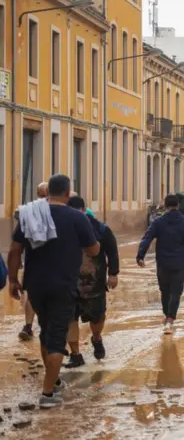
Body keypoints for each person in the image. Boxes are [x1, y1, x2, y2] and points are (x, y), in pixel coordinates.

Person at [6, 175, 100, 408]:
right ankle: (47, 395)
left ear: (48, 193)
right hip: (63, 286)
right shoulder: (77, 218)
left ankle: (54, 380)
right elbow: (94, 249)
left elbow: (14, 250)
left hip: (35, 286)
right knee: (57, 338)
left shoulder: (30, 214)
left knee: (45, 331)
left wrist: (13, 280)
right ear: (69, 194)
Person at [64, 196, 119, 368]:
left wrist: (113, 273)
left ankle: (96, 337)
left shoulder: (100, 229)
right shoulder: (62, 228)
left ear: (82, 211)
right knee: (70, 318)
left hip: (94, 284)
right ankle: (76, 354)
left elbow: (112, 251)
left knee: (98, 317)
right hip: (69, 284)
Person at [136, 194, 184, 335]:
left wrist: (140, 256)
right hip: (179, 263)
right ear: (178, 206)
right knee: (176, 292)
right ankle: (170, 318)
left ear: (165, 206)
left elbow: (146, 238)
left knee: (165, 290)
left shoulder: (158, 222)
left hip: (163, 263)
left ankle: (167, 315)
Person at [17, 182, 48, 341]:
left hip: (55, 265)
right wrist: (18, 262)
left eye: (46, 195)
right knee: (30, 293)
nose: (43, 199)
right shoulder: (28, 214)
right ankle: (28, 326)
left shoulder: (60, 213)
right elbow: (18, 243)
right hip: (33, 263)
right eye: (41, 195)